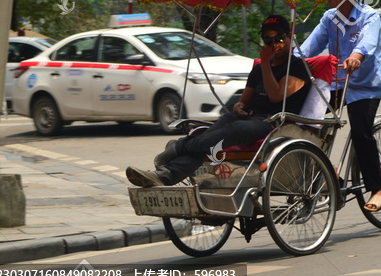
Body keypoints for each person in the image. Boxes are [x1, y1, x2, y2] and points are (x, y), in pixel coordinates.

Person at [126, 15, 311, 187]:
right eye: (268, 40)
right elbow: (243, 101)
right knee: (210, 137)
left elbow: (275, 96)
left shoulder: (298, 67)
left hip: (274, 123)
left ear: (289, 36)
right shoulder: (257, 70)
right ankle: (164, 176)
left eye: (278, 39)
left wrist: (264, 64)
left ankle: (179, 146)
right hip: (249, 118)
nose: (274, 45)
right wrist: (239, 107)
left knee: (232, 130)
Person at [299, 0, 381, 212]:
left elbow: (367, 42)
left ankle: (377, 189)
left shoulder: (370, 17)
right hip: (338, 82)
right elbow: (308, 48)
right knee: (306, 122)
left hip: (366, 86)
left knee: (361, 132)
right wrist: (289, 61)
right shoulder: (329, 18)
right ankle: (329, 172)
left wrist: (356, 56)